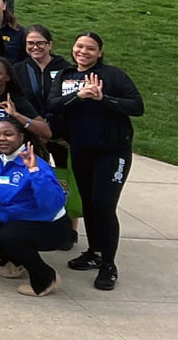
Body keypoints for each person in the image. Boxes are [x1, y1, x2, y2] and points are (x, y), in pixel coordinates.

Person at [48, 31, 142, 292]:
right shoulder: (66, 77)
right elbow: (53, 104)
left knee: (104, 205)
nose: (83, 52)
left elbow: (137, 106)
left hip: (113, 151)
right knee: (89, 204)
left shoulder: (114, 76)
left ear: (100, 52)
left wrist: (104, 98)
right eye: (79, 46)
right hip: (81, 150)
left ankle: (108, 266)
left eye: (90, 48)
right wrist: (79, 96)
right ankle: (94, 251)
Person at [0, 119, 73, 297]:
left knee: (9, 235)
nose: (2, 138)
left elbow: (52, 203)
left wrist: (34, 172)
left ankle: (45, 278)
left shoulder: (36, 164)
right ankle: (15, 261)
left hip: (48, 225)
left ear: (21, 137)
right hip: (11, 220)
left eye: (8, 134)